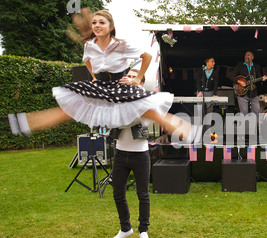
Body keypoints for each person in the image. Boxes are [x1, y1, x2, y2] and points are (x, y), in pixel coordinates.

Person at [7, 8, 193, 143]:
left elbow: (147, 56)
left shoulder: (121, 45)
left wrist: (137, 78)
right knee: (67, 110)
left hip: (119, 86)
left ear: (111, 27)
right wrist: (94, 76)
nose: (97, 25)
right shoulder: (90, 45)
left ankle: (190, 132)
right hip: (100, 86)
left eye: (101, 22)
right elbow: (87, 59)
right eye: (94, 22)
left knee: (152, 113)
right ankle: (24, 123)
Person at [109, 69, 151, 238]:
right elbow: (112, 121)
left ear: (141, 83)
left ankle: (143, 231)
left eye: (135, 77)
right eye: (129, 76)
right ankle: (125, 228)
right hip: (120, 153)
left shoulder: (146, 100)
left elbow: (138, 120)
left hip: (140, 154)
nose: (130, 79)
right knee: (118, 192)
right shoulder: (117, 100)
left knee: (143, 194)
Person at [229, 51, 267, 116]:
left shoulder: (256, 67)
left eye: (248, 55)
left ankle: (256, 126)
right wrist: (239, 81)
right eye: (245, 55)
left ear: (252, 57)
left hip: (253, 93)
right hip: (242, 93)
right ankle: (245, 126)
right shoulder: (240, 65)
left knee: (257, 111)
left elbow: (259, 77)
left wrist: (262, 79)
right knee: (244, 113)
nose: (246, 56)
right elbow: (231, 76)